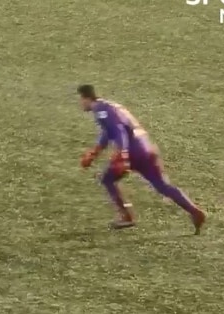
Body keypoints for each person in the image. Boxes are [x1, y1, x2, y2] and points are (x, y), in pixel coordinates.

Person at [77, 84, 206, 234]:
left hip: (133, 151)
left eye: (80, 100)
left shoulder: (99, 109)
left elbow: (119, 132)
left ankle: (126, 216)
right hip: (146, 147)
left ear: (85, 98)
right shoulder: (110, 106)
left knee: (107, 179)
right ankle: (195, 211)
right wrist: (95, 152)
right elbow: (108, 132)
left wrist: (123, 155)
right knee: (162, 185)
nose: (80, 104)